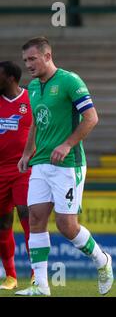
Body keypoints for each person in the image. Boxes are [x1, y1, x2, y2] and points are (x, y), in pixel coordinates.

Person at [15, 37, 113, 296]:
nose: (28, 65)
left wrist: (68, 144)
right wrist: (27, 153)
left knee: (66, 225)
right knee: (35, 219)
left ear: (48, 56)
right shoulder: (34, 87)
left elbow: (91, 118)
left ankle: (102, 260)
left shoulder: (70, 81)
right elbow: (36, 122)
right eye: (25, 61)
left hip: (68, 164)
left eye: (33, 59)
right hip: (41, 164)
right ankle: (41, 286)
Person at [0, 61, 33, 290]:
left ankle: (36, 273)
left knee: (28, 215)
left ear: (10, 78)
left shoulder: (31, 99)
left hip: (24, 168)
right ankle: (11, 276)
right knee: (3, 223)